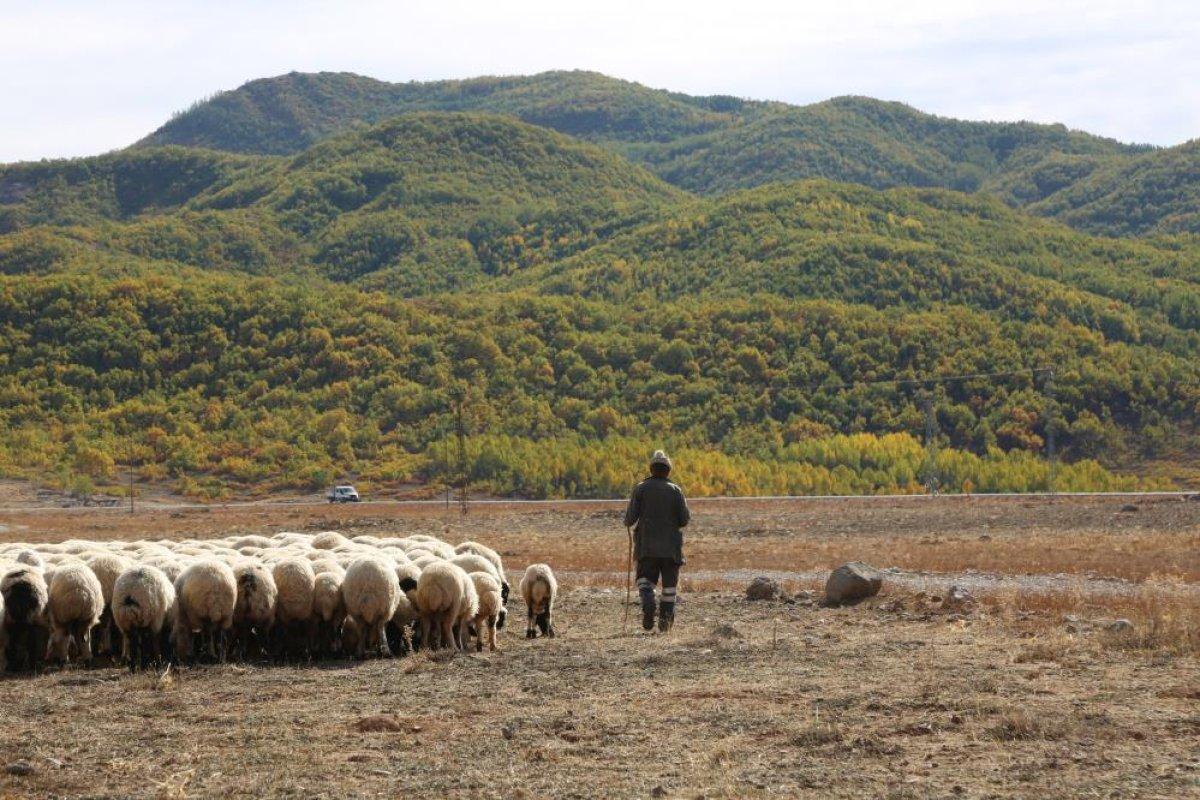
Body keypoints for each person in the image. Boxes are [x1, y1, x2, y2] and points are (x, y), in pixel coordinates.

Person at [623, 450, 690, 633]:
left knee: (645, 581)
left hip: (647, 546)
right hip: (671, 550)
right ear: (668, 471)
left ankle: (649, 602)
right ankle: (665, 624)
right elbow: (684, 520)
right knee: (669, 588)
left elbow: (630, 519)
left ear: (651, 469)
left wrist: (628, 521)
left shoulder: (641, 488)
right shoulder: (676, 491)